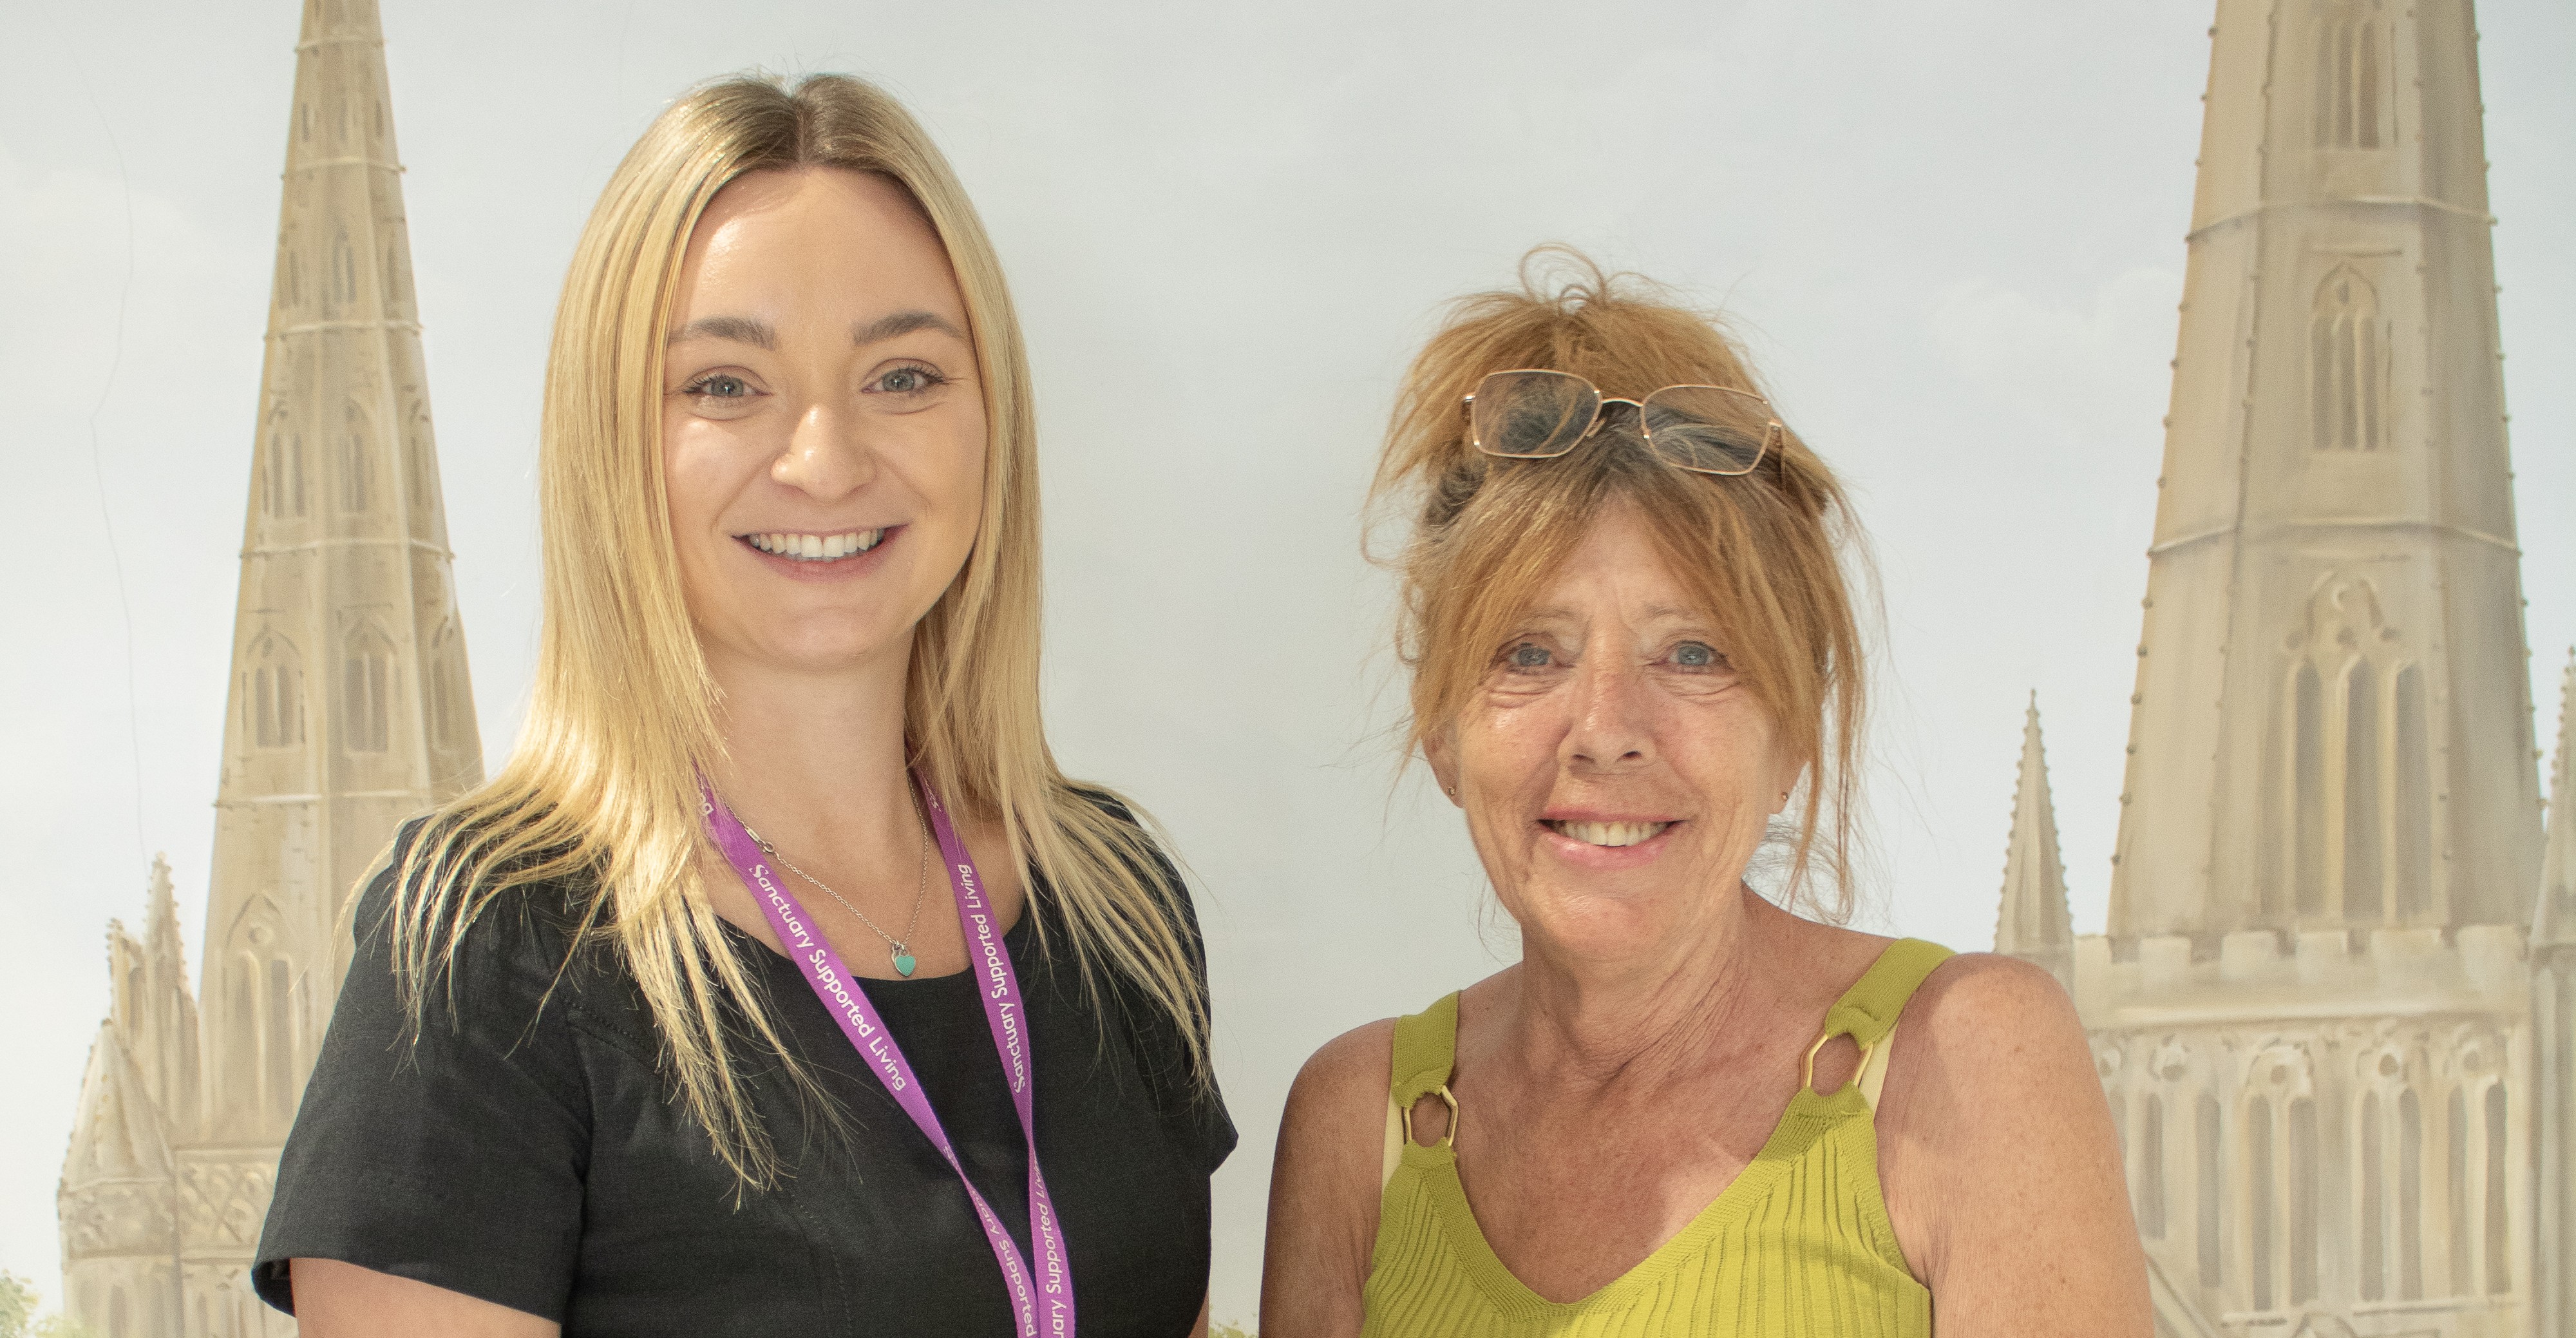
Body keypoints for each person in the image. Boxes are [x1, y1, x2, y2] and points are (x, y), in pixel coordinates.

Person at [254, 73, 1233, 1338]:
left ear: (991, 423)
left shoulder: (1115, 901)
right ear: (612, 442)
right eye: (722, 384)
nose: (824, 457)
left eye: (903, 374)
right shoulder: (491, 950)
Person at [1260, 254, 2148, 1335]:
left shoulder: (1970, 1061)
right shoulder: (1358, 1124)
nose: (1607, 730)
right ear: (1443, 726)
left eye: (1691, 653)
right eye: (1530, 652)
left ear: (1795, 732)